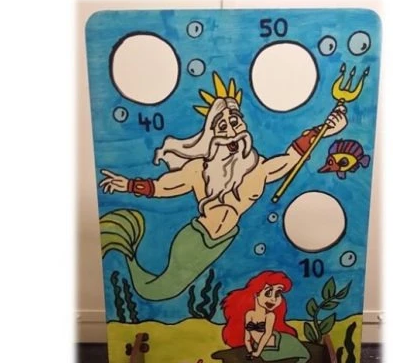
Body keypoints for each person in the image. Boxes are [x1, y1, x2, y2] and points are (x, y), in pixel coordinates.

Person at [99, 73, 347, 301]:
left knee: (167, 291)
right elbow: (163, 187)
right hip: (194, 240)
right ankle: (129, 255)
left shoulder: (258, 170)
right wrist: (127, 184)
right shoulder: (199, 169)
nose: (231, 131)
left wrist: (324, 130)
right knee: (157, 291)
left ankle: (130, 256)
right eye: (222, 126)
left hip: (222, 242)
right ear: (212, 135)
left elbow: (291, 158)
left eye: (234, 121)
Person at [221, 270, 310, 363]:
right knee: (268, 357)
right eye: (268, 293)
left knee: (303, 357)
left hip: (281, 344)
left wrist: (257, 352)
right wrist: (250, 350)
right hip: (264, 348)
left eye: (278, 293)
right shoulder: (249, 315)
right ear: (256, 294)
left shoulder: (270, 316)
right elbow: (247, 337)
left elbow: (267, 335)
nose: (273, 298)